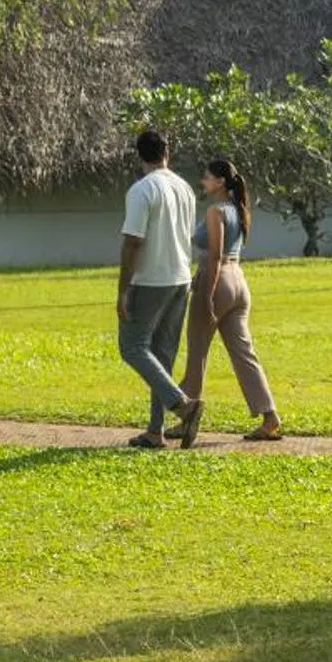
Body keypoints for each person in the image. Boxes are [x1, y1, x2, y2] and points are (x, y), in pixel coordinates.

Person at [180, 157, 285, 443]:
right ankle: (269, 416)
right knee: (243, 352)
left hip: (217, 280)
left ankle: (186, 412)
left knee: (197, 350)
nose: (203, 181)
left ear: (220, 181)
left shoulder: (216, 211)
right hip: (239, 281)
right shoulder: (238, 210)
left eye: (206, 177)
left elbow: (214, 255)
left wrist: (209, 296)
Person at [117, 130, 204, 448]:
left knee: (133, 346)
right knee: (163, 353)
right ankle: (156, 431)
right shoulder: (184, 188)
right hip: (180, 276)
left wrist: (123, 289)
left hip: (151, 279)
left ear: (139, 155)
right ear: (168, 153)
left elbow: (133, 241)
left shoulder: (142, 190)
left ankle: (183, 406)